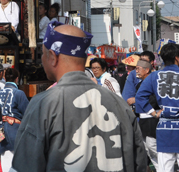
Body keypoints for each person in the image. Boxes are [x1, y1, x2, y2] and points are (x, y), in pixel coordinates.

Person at [10, 21, 146, 171]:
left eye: (43, 54)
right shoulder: (120, 105)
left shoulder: (43, 104)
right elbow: (139, 163)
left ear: (53, 57)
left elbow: (24, 166)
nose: (42, 60)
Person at [136, 43, 179, 172]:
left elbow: (140, 97)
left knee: (164, 169)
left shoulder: (154, 76)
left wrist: (154, 113)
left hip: (164, 128)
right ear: (176, 57)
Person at [0, 68, 29, 172]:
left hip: (1, 129)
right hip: (15, 129)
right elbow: (28, 113)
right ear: (17, 79)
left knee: (5, 158)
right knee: (17, 160)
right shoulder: (19, 93)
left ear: (4, 78)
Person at [134, 59, 160, 172]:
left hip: (152, 118)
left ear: (147, 70)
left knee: (152, 146)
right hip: (142, 119)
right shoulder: (140, 83)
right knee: (147, 149)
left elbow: (154, 100)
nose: (136, 71)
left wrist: (153, 112)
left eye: (138, 69)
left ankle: (165, 167)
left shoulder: (155, 81)